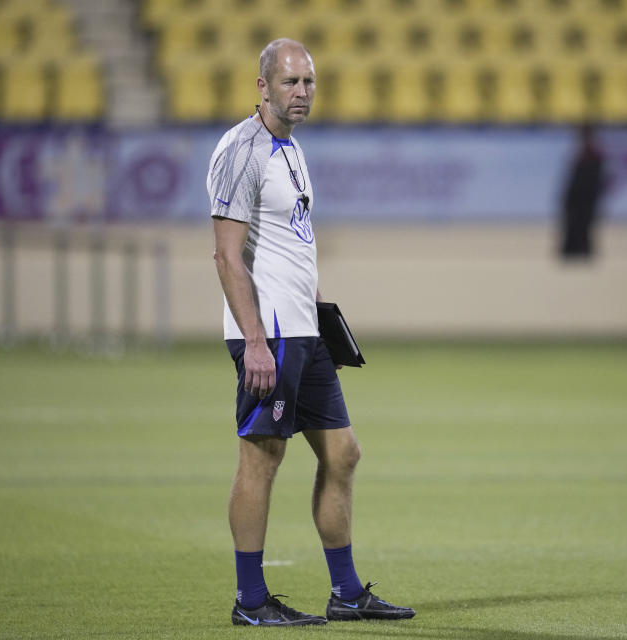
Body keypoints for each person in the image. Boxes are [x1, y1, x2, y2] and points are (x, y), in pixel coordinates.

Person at [207, 38, 415, 627]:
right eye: (291, 82)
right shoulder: (240, 151)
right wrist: (253, 341)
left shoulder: (291, 150)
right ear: (263, 85)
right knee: (262, 459)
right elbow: (226, 257)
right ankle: (250, 602)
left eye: (309, 83)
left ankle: (346, 594)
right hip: (267, 334)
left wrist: (322, 316)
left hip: (303, 331)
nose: (302, 93)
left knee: (343, 453)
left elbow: (290, 243)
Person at [560, 123, 605, 258]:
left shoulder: (592, 153)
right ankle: (575, 249)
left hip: (585, 197)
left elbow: (593, 179)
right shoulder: (585, 151)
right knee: (576, 223)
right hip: (580, 197)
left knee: (583, 223)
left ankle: (580, 249)